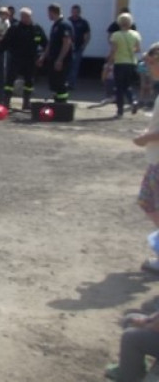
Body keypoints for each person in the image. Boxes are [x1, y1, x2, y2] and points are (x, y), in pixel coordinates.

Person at [108, 46, 159, 381]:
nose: (148, 67)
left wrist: (144, 138)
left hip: (158, 161)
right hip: (155, 161)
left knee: (153, 207)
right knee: (149, 206)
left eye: (151, 62)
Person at [0, 7, 48, 110]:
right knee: (10, 81)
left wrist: (43, 57)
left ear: (30, 16)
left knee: (29, 82)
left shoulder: (37, 28)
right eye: (23, 16)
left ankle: (26, 103)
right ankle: (6, 102)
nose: (25, 18)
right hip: (16, 59)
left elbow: (45, 44)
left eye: (27, 16)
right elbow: (5, 42)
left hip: (30, 60)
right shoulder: (15, 28)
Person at [107, 12, 142, 118]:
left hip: (120, 63)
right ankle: (133, 101)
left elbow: (113, 50)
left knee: (119, 87)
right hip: (131, 63)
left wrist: (109, 62)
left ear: (119, 22)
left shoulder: (115, 35)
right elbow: (138, 49)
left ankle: (120, 111)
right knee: (127, 85)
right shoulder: (136, 34)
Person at [37, 3, 73, 104]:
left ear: (53, 12)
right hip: (53, 59)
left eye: (49, 13)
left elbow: (67, 43)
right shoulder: (56, 25)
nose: (48, 16)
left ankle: (62, 104)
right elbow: (51, 42)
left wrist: (60, 60)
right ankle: (57, 102)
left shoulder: (64, 25)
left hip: (61, 60)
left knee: (60, 82)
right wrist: (43, 56)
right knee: (54, 82)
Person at [67, 4, 91, 90]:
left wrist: (84, 46)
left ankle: (71, 84)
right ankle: (65, 83)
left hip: (78, 48)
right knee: (67, 66)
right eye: (73, 11)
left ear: (79, 12)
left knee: (74, 67)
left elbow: (88, 35)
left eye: (76, 12)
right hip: (67, 48)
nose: (74, 13)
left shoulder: (83, 22)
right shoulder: (67, 21)